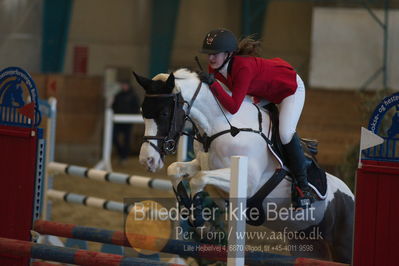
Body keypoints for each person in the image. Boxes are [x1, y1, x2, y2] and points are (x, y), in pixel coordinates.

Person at [198, 28, 315, 208]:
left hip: (289, 89)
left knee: (284, 133)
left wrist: (213, 84)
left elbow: (233, 106)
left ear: (229, 54)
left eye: (215, 54)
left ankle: (303, 186)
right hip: (261, 91)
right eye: (209, 54)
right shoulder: (214, 68)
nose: (211, 58)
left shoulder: (243, 67)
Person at [111, 81, 140, 163]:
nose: (124, 86)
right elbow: (114, 106)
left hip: (128, 121)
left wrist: (131, 116)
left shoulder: (133, 96)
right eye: (123, 85)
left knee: (126, 139)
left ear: (128, 85)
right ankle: (121, 154)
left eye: (125, 85)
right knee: (114, 137)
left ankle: (124, 156)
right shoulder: (118, 95)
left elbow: (136, 108)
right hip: (117, 120)